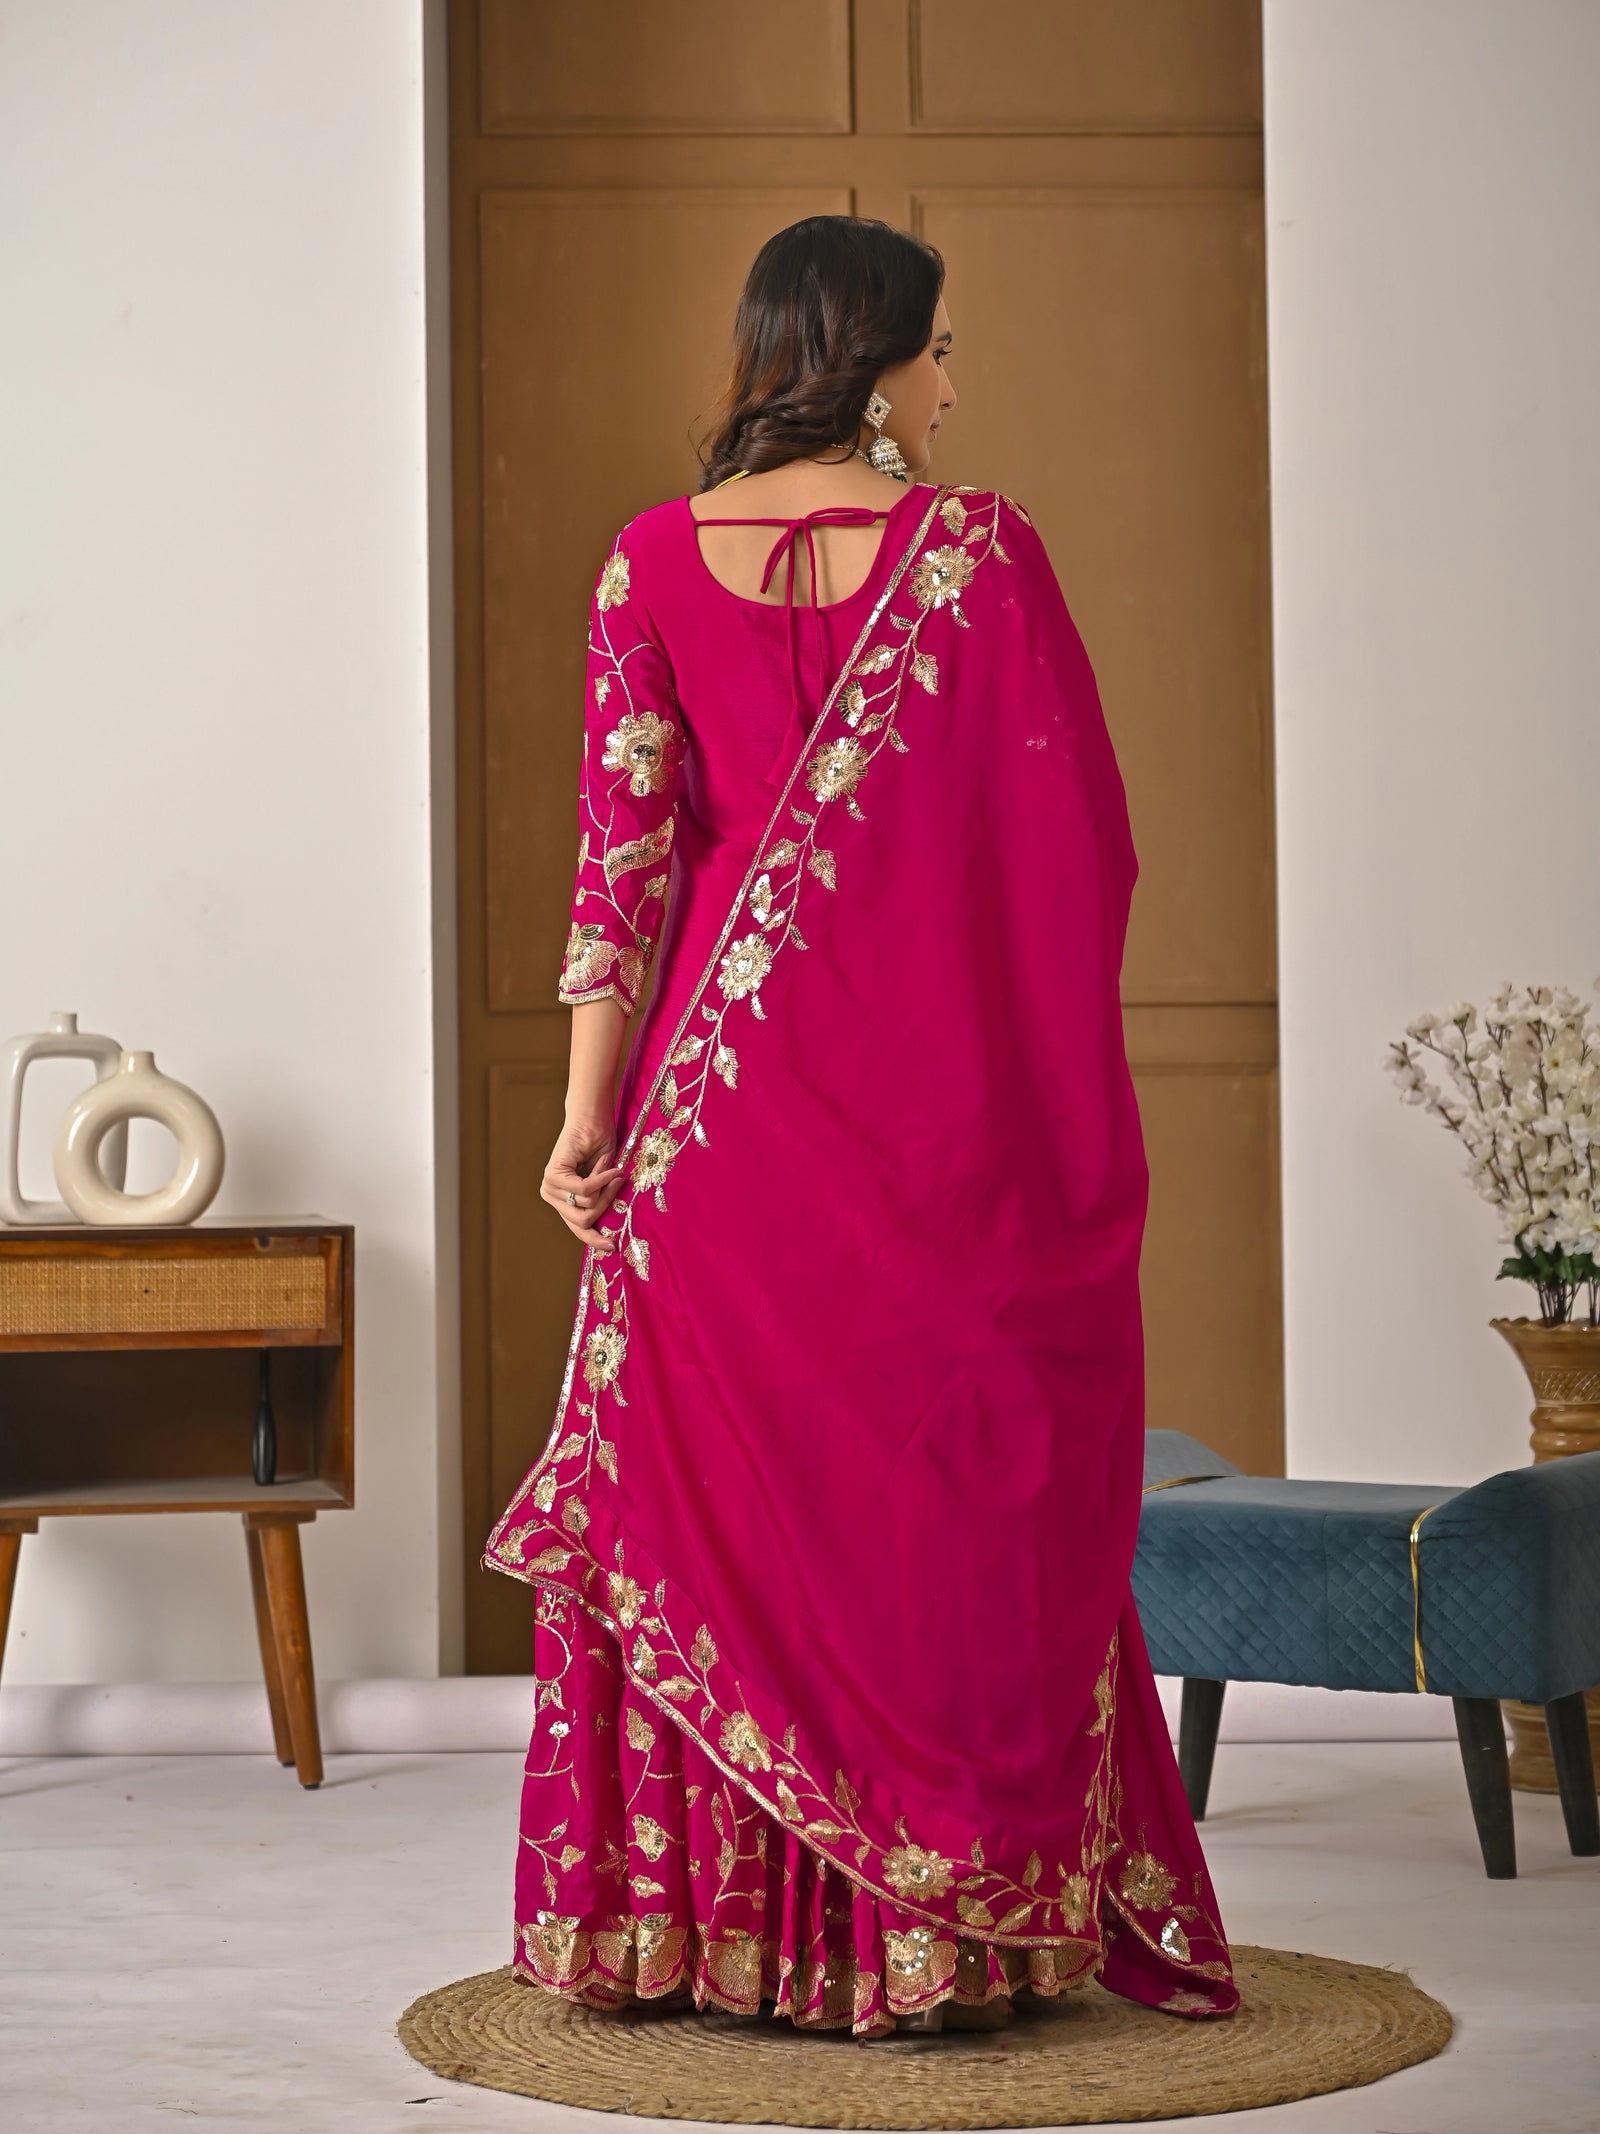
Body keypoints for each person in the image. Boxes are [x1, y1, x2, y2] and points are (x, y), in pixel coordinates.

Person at [484, 215, 1239, 2040]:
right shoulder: (978, 557)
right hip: (936, 1129)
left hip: (711, 1126)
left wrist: (592, 1128)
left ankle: (703, 1944)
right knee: (927, 1505)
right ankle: (943, 1940)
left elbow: (625, 871)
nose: (956, 388)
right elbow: (1071, 864)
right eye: (941, 350)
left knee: (730, 1518)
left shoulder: (646, 563)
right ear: (873, 352)